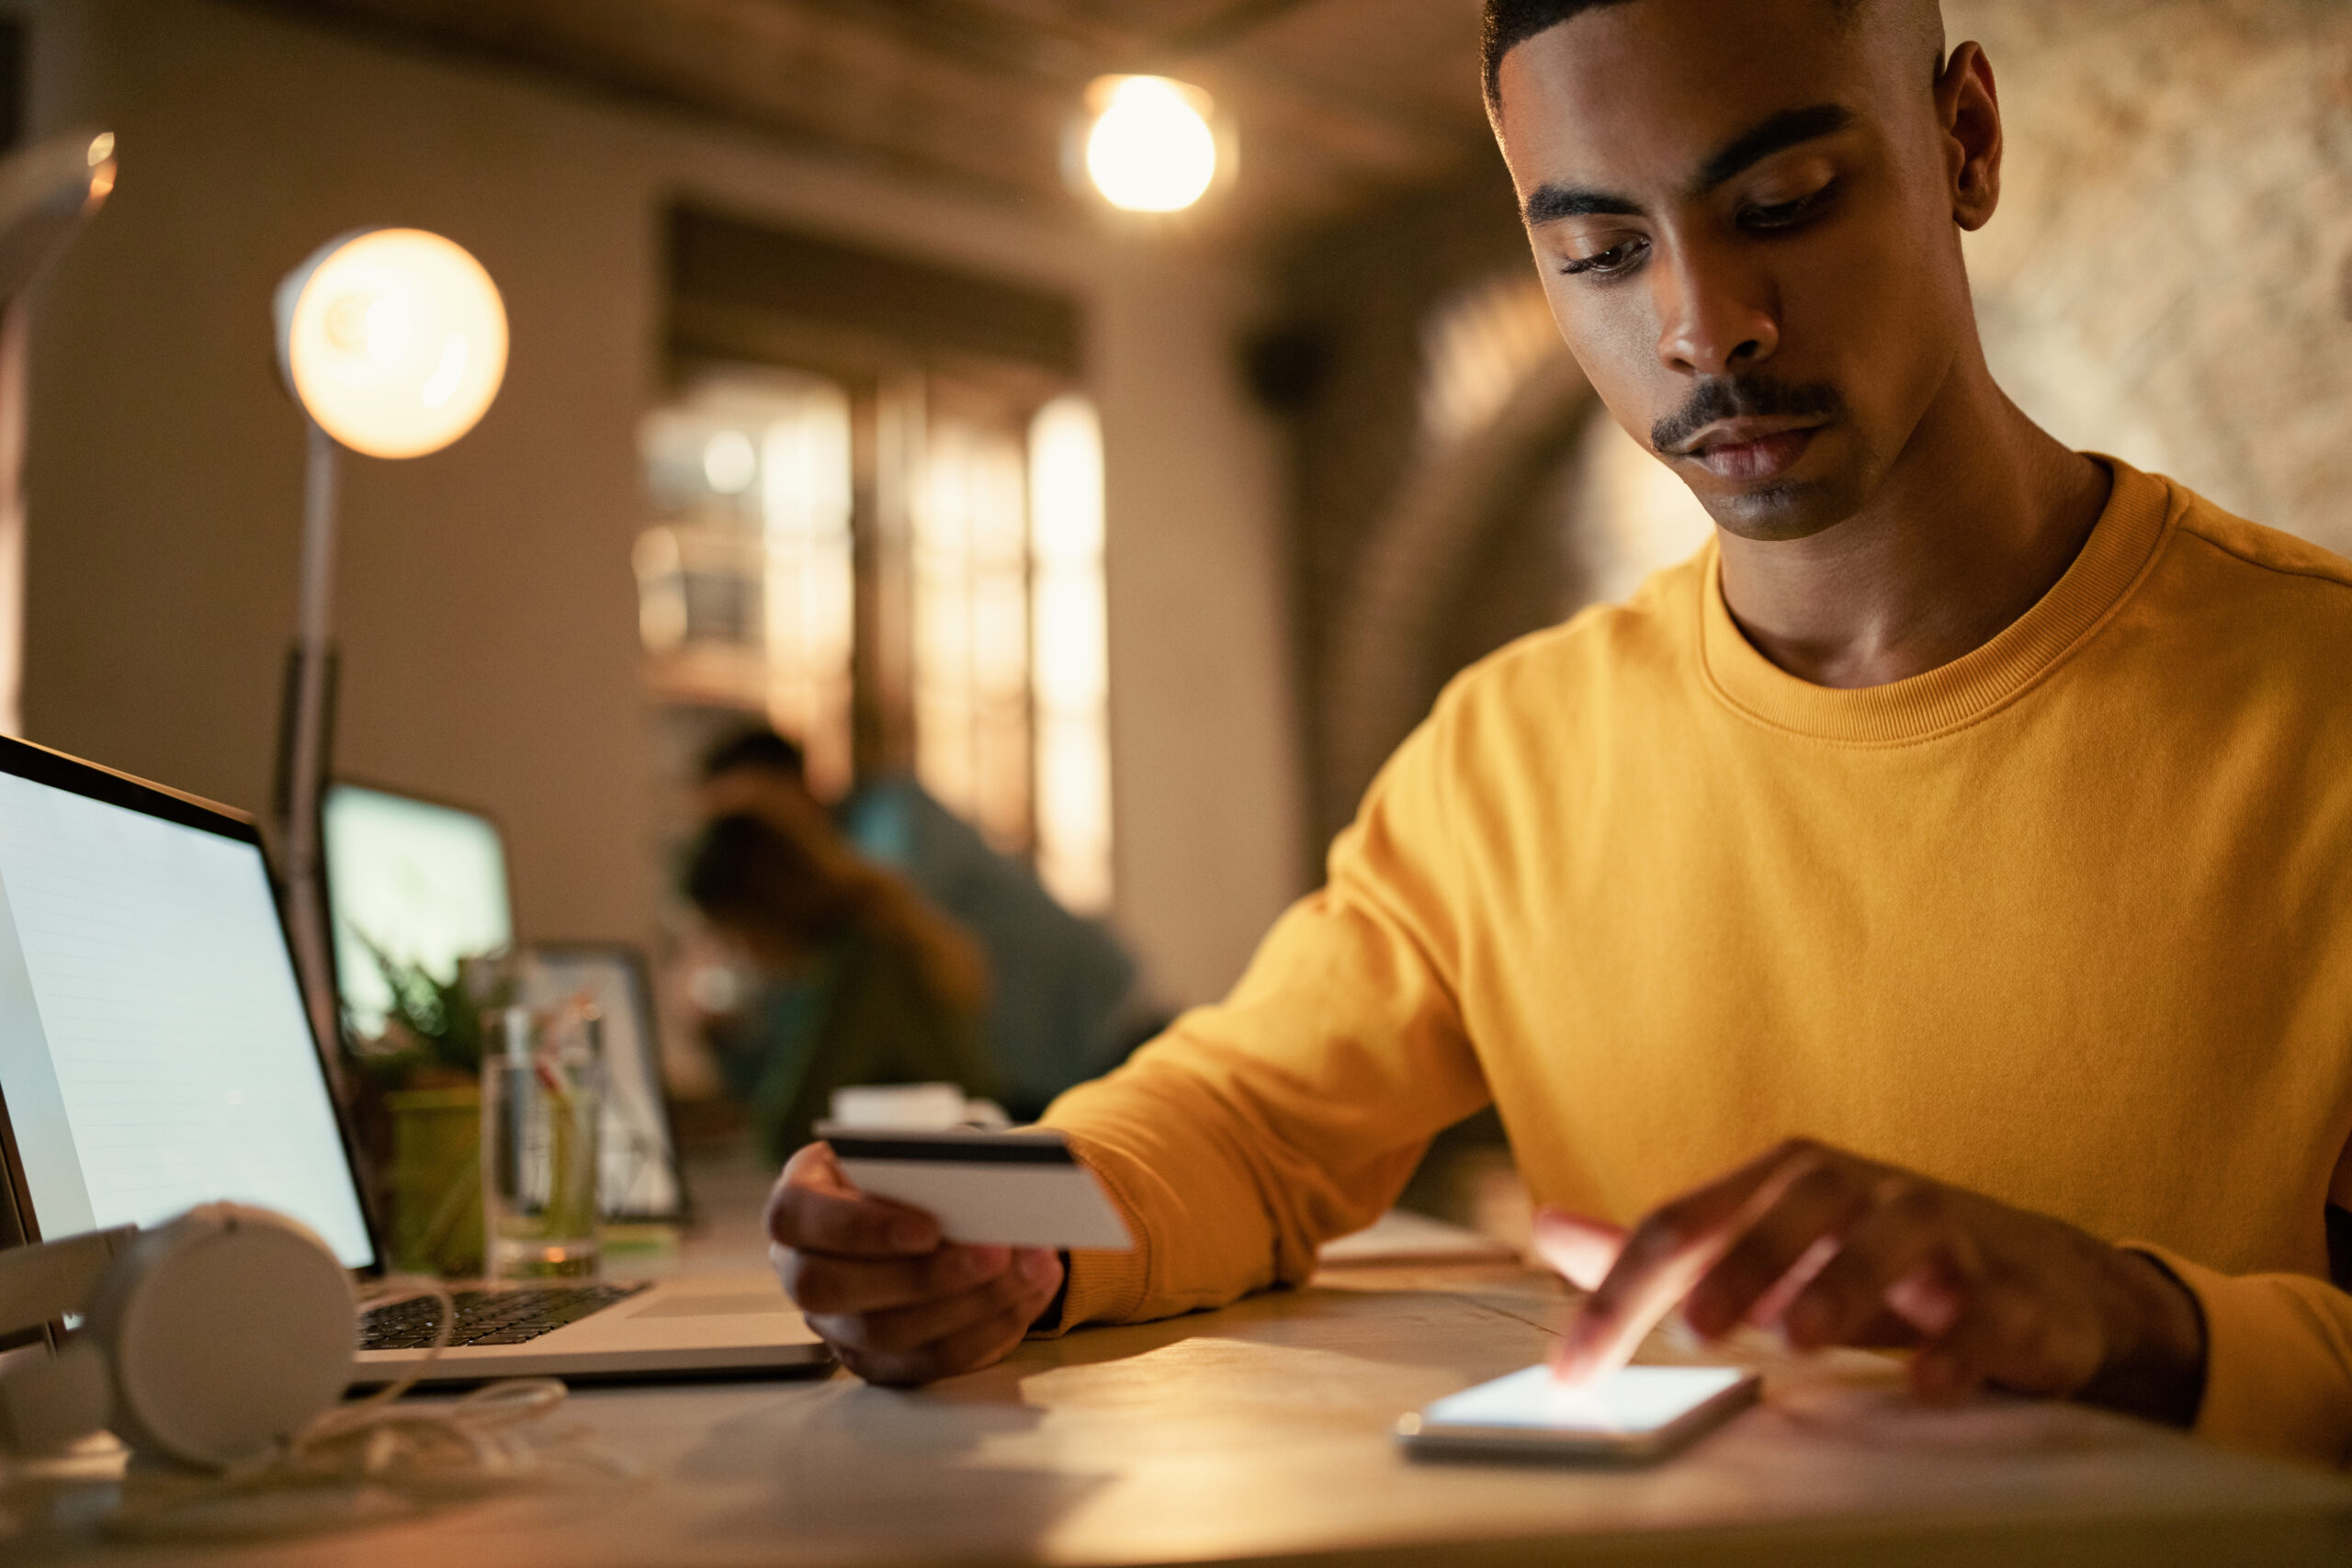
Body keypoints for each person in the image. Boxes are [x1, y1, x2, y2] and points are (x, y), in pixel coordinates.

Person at [761, 0, 2352, 1466]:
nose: (1702, 324)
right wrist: (1019, 1232)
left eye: (1786, 198)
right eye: (1600, 249)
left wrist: (2134, 1317)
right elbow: (1247, 1121)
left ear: (1967, 143)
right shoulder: (1506, 757)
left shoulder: (2320, 698)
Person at [700, 729, 1142, 1121]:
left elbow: (884, 921)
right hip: (1030, 1072)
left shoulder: (888, 832)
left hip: (1103, 1037)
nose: (741, 850)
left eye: (748, 827)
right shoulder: (839, 919)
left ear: (792, 789)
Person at [682, 790, 997, 1163]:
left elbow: (792, 1130)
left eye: (731, 933)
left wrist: (719, 1039)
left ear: (763, 907)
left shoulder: (865, 959)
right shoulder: (857, 943)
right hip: (933, 1167)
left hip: (947, 1168)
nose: (740, 953)